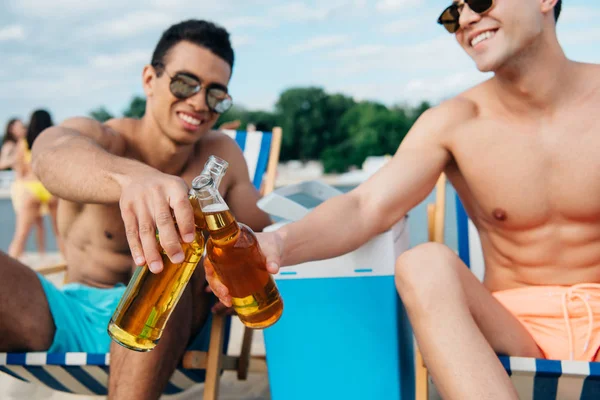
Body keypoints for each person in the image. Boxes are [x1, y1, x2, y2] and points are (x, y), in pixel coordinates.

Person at [206, 0, 600, 399]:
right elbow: (364, 206)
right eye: (452, 14)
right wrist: (275, 244)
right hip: (513, 330)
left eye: (480, 1)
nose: (464, 20)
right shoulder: (454, 121)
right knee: (423, 263)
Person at [0, 20, 271, 400]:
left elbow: (264, 228)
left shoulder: (222, 156)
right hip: (70, 316)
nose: (198, 102)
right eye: (185, 83)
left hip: (175, 322)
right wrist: (132, 178)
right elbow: (50, 153)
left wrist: (239, 270)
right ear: (149, 79)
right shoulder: (105, 140)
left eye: (215, 95)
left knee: (173, 254)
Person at [7, 109, 60, 259]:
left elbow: (20, 169)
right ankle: (70, 275)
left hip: (31, 188)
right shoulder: (54, 140)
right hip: (51, 188)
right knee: (60, 234)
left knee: (20, 236)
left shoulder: (24, 142)